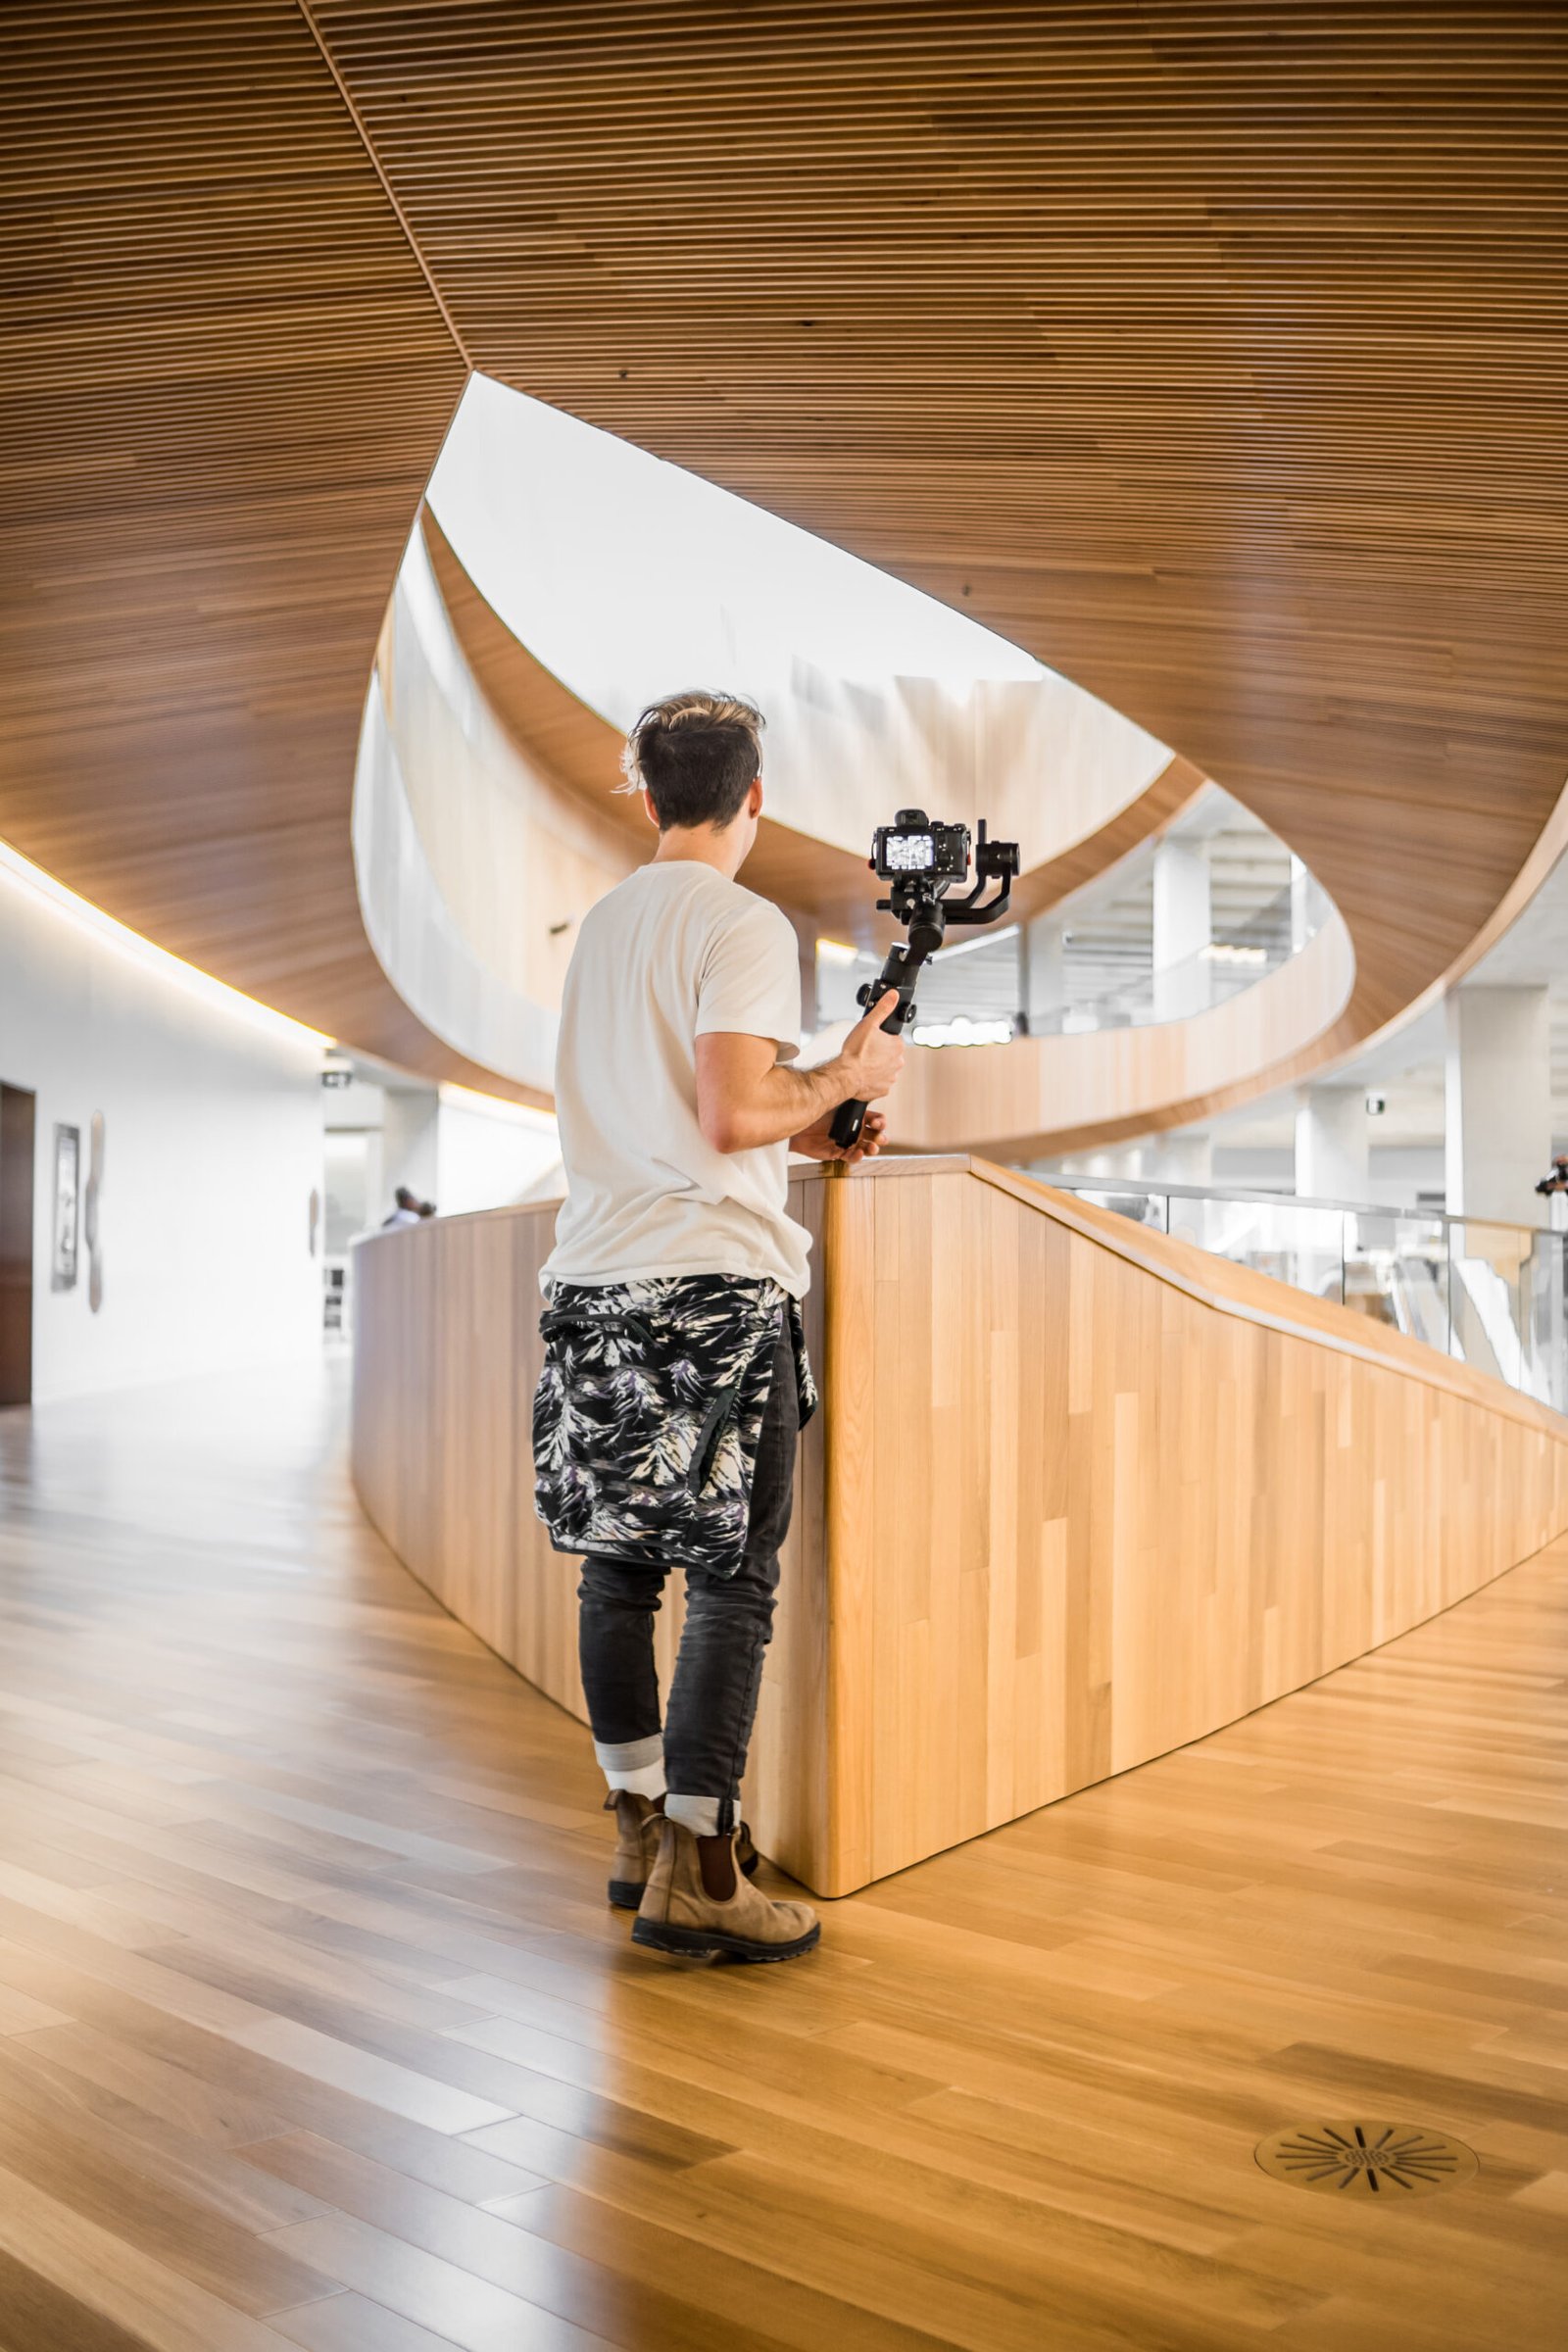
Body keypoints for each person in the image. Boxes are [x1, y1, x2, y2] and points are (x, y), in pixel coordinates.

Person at [533, 690, 906, 1964]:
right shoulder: (740, 922)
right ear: (754, 798)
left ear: (644, 796)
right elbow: (730, 1120)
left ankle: (640, 1834)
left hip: (597, 1283)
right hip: (710, 1293)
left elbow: (707, 1113)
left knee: (620, 1573)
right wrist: (847, 1079)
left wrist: (819, 1106)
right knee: (733, 1583)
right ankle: (703, 1871)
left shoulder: (604, 931)